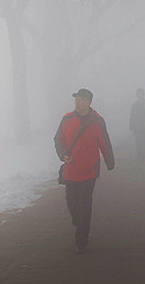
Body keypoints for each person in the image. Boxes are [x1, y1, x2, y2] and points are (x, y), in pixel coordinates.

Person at [54, 88, 115, 254]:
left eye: (81, 100)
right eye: (76, 100)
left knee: (85, 203)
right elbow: (58, 140)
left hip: (89, 170)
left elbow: (104, 141)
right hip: (72, 170)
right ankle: (78, 222)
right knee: (71, 201)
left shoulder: (97, 121)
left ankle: (82, 238)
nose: (77, 103)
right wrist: (63, 154)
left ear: (89, 102)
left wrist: (110, 160)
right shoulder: (66, 120)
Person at [129, 88, 145, 163]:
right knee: (138, 142)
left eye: (141, 93)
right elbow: (132, 116)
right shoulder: (134, 105)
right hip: (138, 128)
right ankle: (140, 157)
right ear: (137, 95)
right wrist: (132, 127)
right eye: (139, 94)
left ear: (143, 94)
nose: (140, 95)